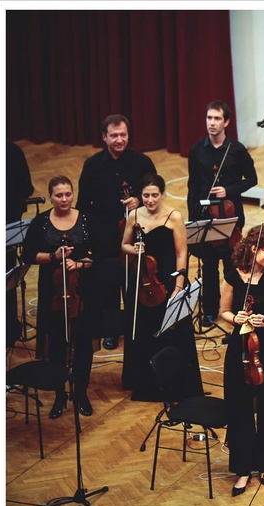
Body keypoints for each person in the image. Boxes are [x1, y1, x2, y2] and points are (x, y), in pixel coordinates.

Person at [220, 225, 264, 495]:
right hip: (241, 347)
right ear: (253, 248)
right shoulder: (233, 275)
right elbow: (223, 311)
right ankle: (242, 468)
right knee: (240, 406)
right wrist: (236, 318)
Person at [120, 174, 204, 402]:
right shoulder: (134, 215)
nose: (150, 200)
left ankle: (179, 387)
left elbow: (181, 253)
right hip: (143, 282)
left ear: (163, 194)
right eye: (146, 195)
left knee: (175, 333)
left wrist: (178, 286)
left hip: (168, 279)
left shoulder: (174, 216)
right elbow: (124, 245)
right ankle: (147, 386)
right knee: (145, 332)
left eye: (154, 195)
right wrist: (133, 249)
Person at [77, 114, 157, 350]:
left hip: (136, 232)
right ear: (104, 137)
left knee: (135, 280)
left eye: (123, 135)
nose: (120, 139)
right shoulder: (92, 165)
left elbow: (155, 192)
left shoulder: (142, 162)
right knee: (109, 285)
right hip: (105, 236)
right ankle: (111, 330)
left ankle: (137, 325)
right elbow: (83, 205)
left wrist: (139, 201)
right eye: (114, 135)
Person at [23, 176, 94, 418]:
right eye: (59, 195)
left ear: (73, 194)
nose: (64, 199)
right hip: (52, 291)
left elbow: (99, 253)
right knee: (56, 344)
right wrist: (54, 256)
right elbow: (29, 255)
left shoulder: (85, 219)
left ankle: (81, 393)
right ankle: (60, 395)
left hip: (81, 290)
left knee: (83, 343)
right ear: (51, 197)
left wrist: (79, 264)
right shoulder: (41, 222)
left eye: (68, 194)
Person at [187, 100, 258, 327]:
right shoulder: (196, 150)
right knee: (209, 267)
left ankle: (234, 309)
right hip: (205, 216)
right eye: (209, 118)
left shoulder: (237, 149)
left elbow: (252, 179)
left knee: (231, 266)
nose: (212, 123)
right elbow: (192, 185)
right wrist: (192, 218)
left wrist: (229, 190)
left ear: (226, 122)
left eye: (217, 118)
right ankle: (210, 310)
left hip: (231, 217)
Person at [6, 141, 35, 347]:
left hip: (7, 224)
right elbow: (26, 189)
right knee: (7, 279)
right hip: (8, 223)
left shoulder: (12, 151)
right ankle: (9, 328)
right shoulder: (12, 151)